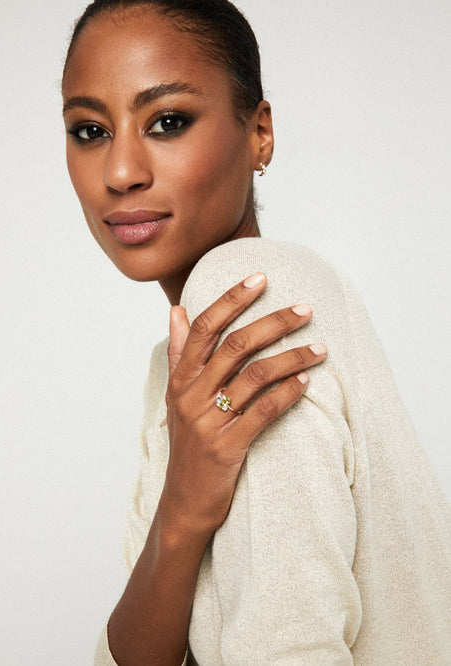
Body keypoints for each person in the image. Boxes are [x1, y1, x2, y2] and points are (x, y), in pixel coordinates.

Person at [61, 1, 451, 663]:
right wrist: (181, 513)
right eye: (90, 130)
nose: (120, 172)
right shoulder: (174, 363)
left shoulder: (248, 300)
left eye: (168, 121)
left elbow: (288, 648)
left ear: (259, 134)